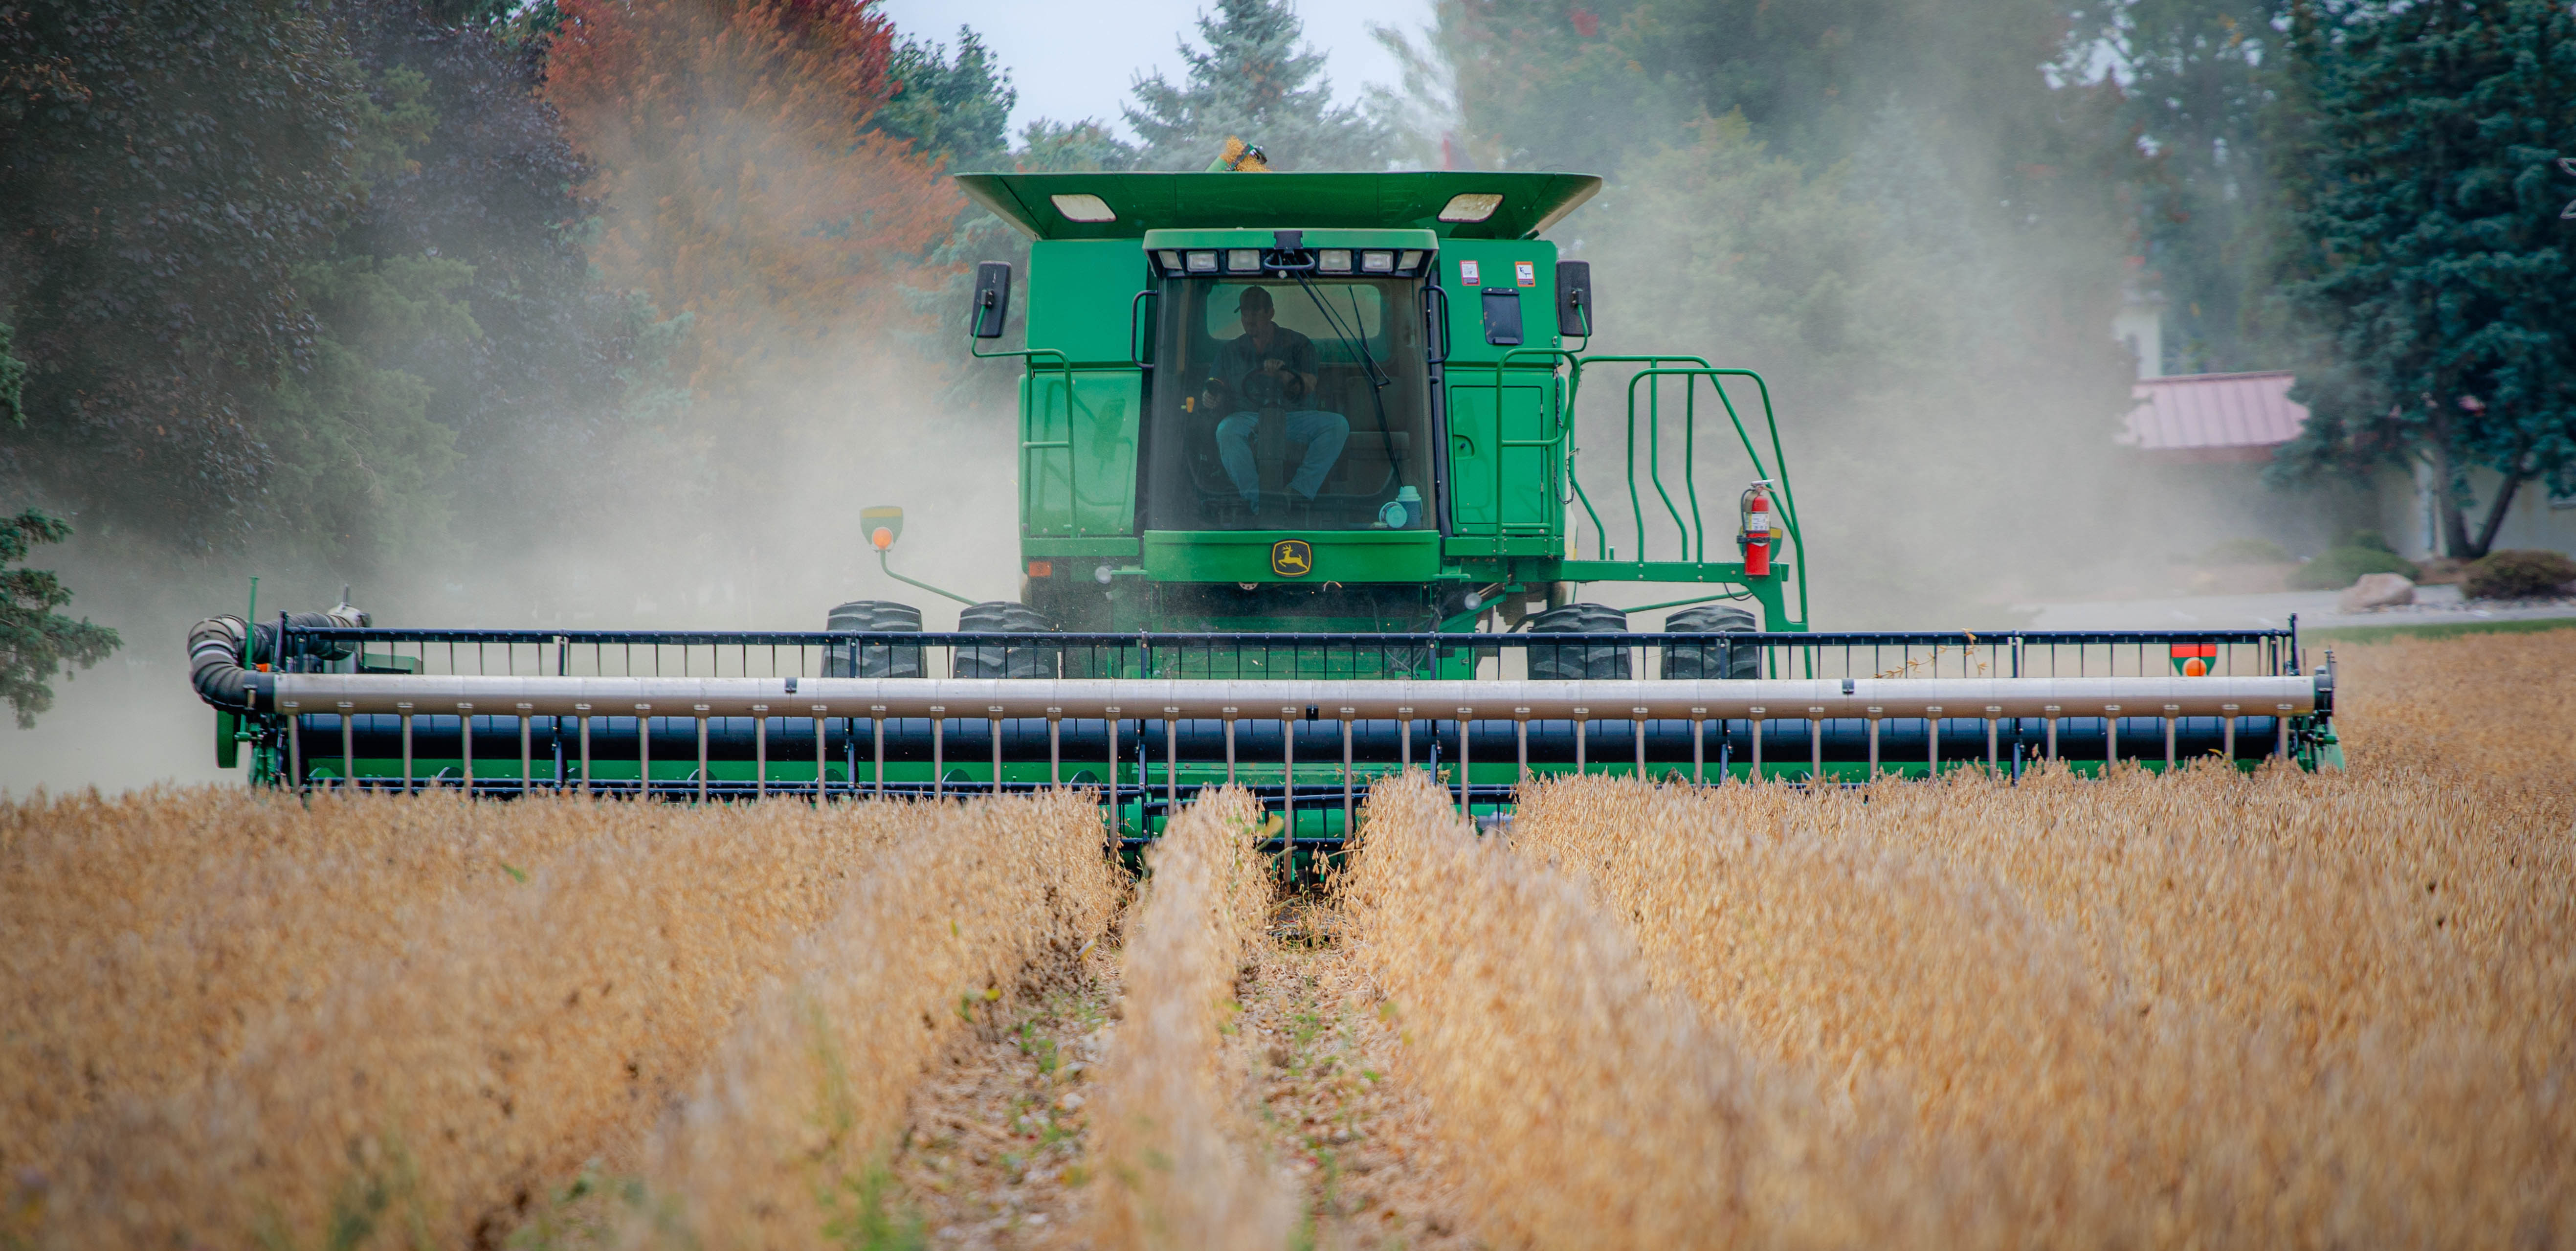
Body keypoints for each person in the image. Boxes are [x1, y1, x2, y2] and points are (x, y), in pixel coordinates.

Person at [1203, 287, 1348, 516]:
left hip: (1294, 418)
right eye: (1245, 314)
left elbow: (1309, 384)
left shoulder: (1299, 343)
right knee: (1226, 430)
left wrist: (1283, 375)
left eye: (1256, 313)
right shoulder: (1229, 351)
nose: (1249, 320)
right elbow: (1216, 383)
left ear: (1270, 313)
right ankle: (1261, 503)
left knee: (1338, 425)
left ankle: (1297, 492)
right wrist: (1210, 396)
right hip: (1249, 419)